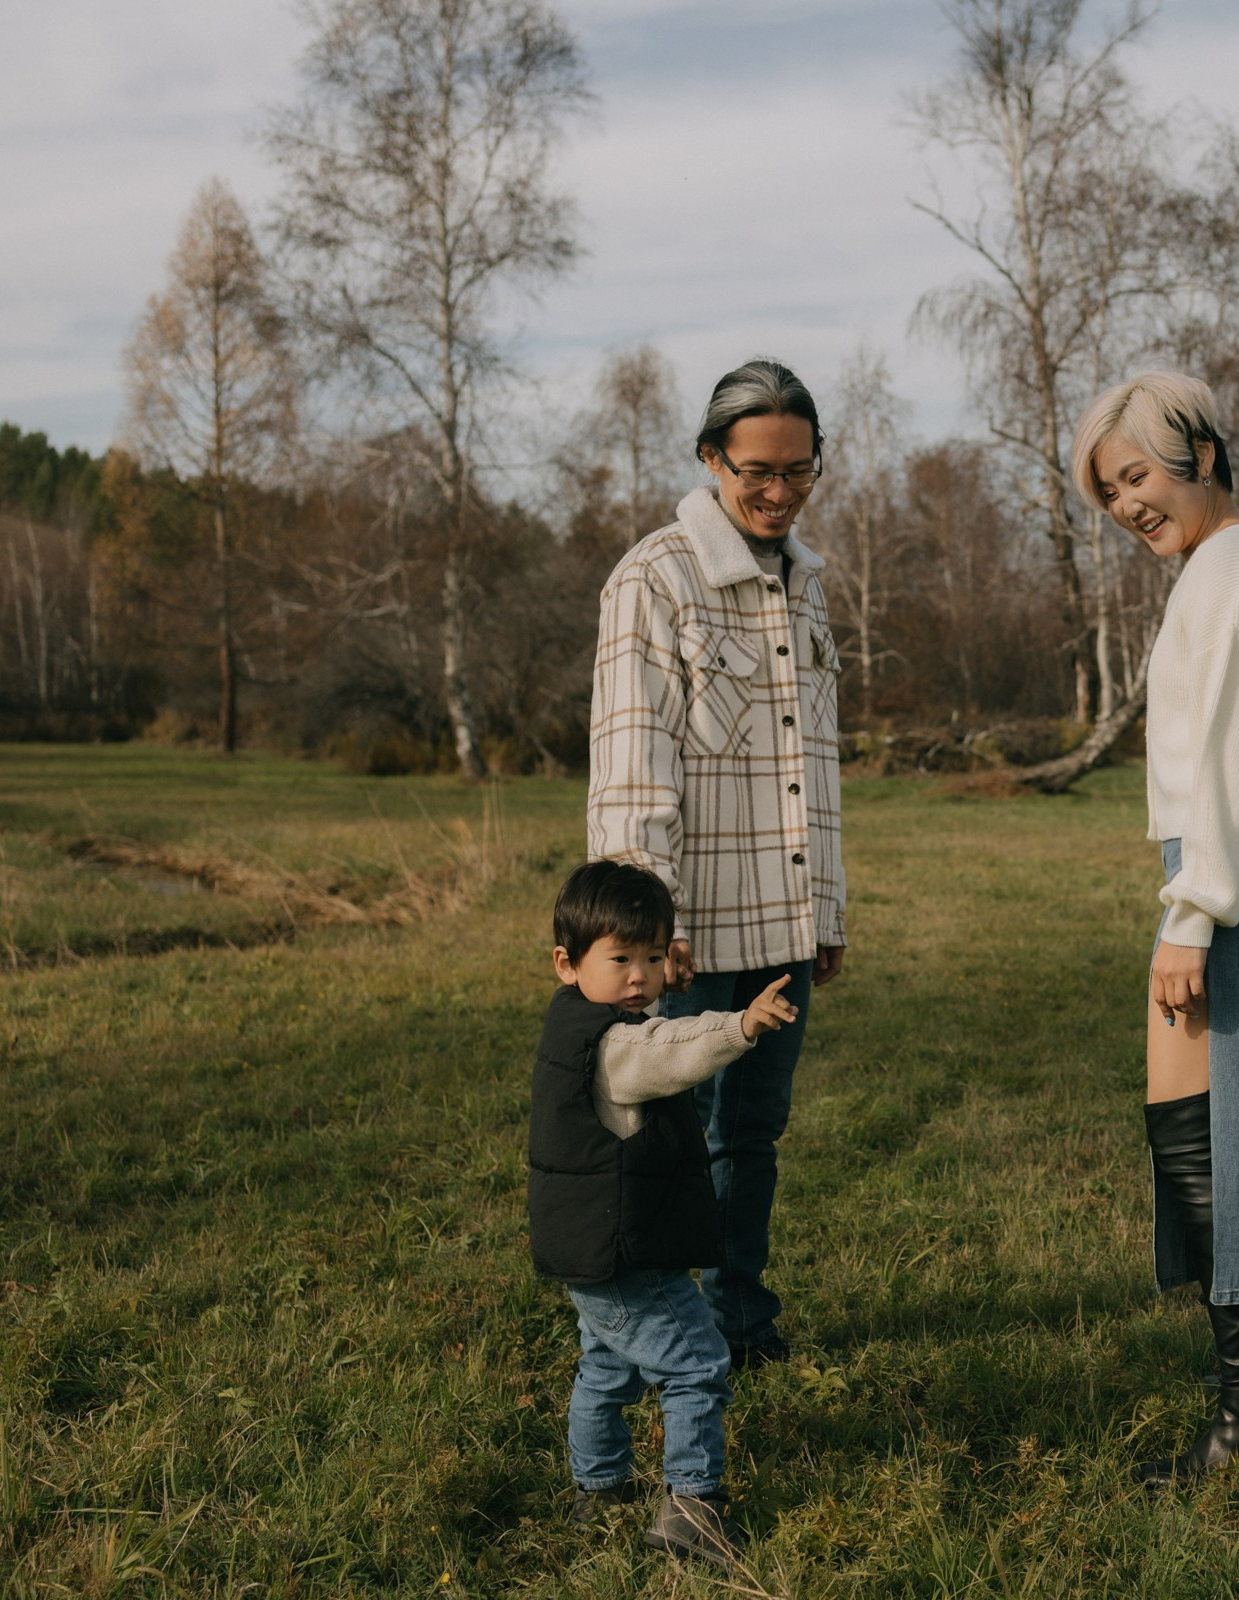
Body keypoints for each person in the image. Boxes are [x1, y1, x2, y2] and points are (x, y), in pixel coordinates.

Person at [1070, 371, 1239, 1484]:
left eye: (1137, 474)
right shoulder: (1213, 570)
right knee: (1194, 1121)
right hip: (1223, 869)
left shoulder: (1234, 566)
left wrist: (1193, 910)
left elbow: (1234, 752)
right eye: (1109, 492)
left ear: (1199, 450)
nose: (1129, 504)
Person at [587, 359, 848, 1369]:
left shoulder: (809, 583)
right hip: (691, 936)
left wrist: (827, 911)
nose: (779, 492)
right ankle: (660, 1332)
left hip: (782, 927)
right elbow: (630, 770)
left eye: (798, 470)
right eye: (756, 472)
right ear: (709, 460)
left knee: (754, 1140)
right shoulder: (655, 578)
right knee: (670, 1141)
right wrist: (648, 938)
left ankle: (743, 1319)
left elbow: (813, 767)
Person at [529, 859, 799, 1568]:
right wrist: (741, 1024)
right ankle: (690, 1508)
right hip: (629, 1251)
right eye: (620, 959)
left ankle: (599, 1486)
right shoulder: (620, 1045)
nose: (640, 976)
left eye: (653, 956)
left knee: (607, 1368)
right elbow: (674, 1052)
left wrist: (665, 988)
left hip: (590, 1249)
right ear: (567, 963)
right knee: (698, 1362)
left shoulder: (575, 1025)